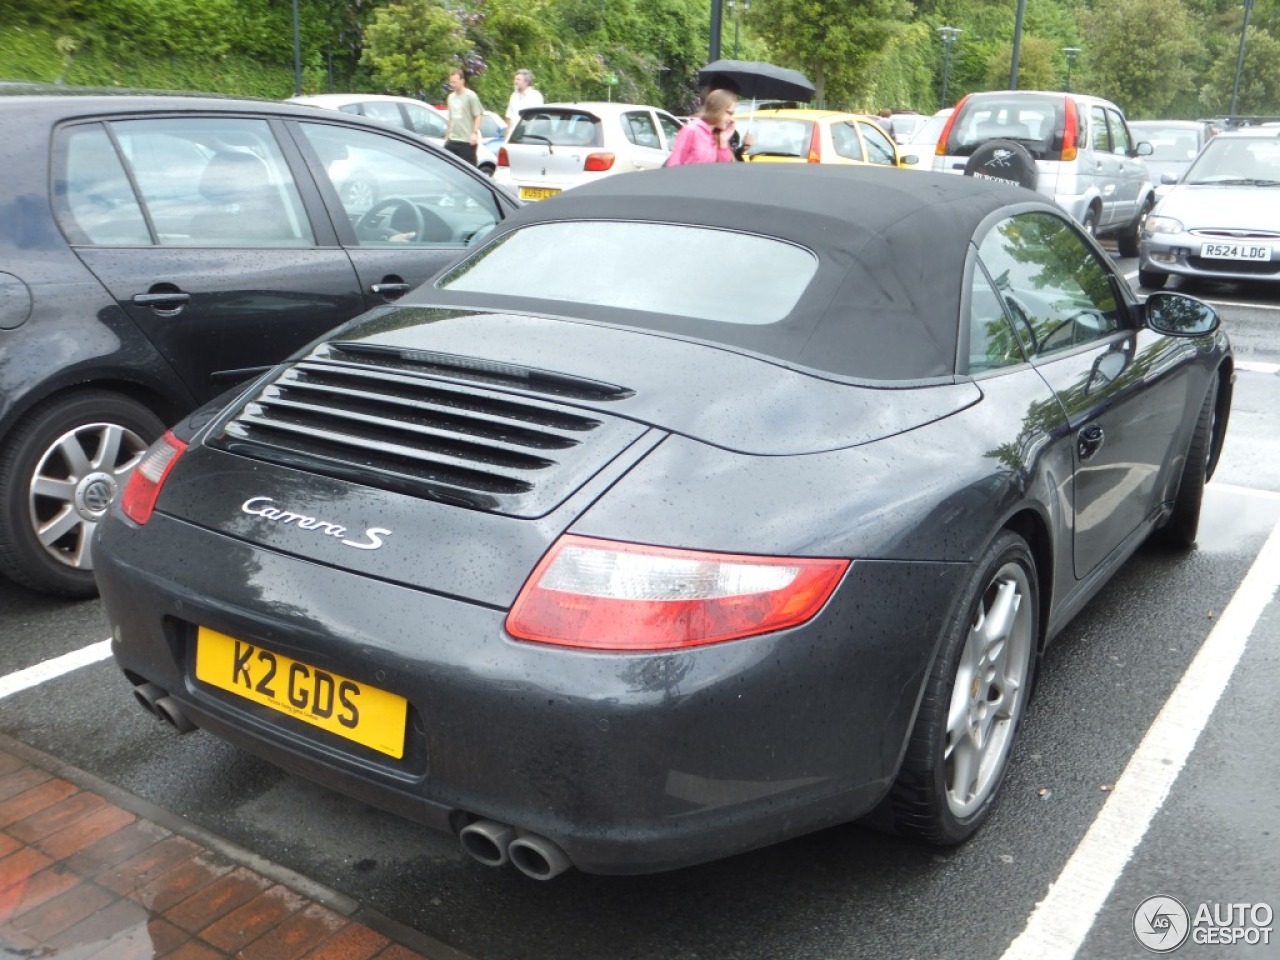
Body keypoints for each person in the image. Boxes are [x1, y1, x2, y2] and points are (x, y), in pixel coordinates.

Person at [665, 89, 741, 166]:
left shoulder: (717, 136)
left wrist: (723, 142)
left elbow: (722, 170)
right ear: (717, 109)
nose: (731, 119)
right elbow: (674, 163)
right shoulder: (692, 130)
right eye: (730, 113)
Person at [444, 68, 484, 165]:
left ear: (462, 81)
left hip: (466, 140)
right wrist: (447, 135)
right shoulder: (450, 97)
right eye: (451, 82)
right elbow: (450, 118)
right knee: (446, 164)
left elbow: (478, 115)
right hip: (453, 139)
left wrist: (474, 133)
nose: (452, 85)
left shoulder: (471, 96)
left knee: (468, 168)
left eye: (455, 82)